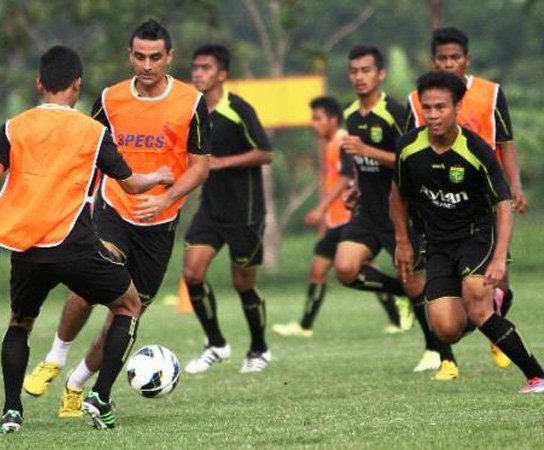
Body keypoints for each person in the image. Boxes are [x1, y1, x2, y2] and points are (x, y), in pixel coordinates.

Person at [0, 46, 176, 433]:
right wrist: (159, 176)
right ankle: (100, 398)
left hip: (27, 246)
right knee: (128, 305)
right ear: (78, 85)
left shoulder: (13, 126)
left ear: (39, 84)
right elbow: (132, 184)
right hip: (74, 244)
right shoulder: (92, 131)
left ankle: (12, 412)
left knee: (19, 323)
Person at [23, 20, 210, 416]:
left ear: (169, 57)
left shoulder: (191, 102)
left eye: (155, 57)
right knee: (93, 279)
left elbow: (200, 167)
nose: (147, 65)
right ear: (130, 55)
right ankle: (55, 357)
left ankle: (77, 384)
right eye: (140, 56)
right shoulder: (110, 100)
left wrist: (166, 200)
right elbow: (85, 149)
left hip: (160, 225)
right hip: (114, 210)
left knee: (124, 314)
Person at [391, 70, 544, 393]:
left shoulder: (476, 150)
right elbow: (398, 197)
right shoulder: (408, 149)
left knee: (477, 305)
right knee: (446, 329)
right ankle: (491, 307)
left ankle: (537, 376)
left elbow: (503, 205)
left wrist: (500, 258)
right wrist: (403, 241)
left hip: (476, 235)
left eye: (441, 107)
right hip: (437, 243)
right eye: (427, 107)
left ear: (458, 107)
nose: (433, 115)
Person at [332, 45, 456, 379]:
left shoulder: (396, 112)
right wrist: (355, 185)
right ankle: (402, 291)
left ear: (380, 74)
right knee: (345, 269)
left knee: (416, 283)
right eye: (354, 71)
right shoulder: (350, 114)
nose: (359, 77)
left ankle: (439, 353)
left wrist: (366, 150)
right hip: (367, 212)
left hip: (399, 213)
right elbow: (363, 164)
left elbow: (411, 160)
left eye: (366, 70)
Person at [405, 27, 524, 368]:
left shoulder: (490, 92)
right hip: (442, 203)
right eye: (441, 58)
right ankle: (448, 359)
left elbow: (505, 143)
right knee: (450, 292)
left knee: (497, 282)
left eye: (454, 57)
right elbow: (409, 150)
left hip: (487, 197)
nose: (448, 63)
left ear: (466, 59)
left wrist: (514, 185)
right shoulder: (419, 101)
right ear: (433, 61)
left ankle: (496, 329)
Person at [272, 96, 413, 338]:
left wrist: (322, 209)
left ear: (333, 119)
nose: (314, 124)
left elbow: (347, 176)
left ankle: (305, 325)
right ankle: (397, 314)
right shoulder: (331, 143)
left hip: (348, 219)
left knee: (320, 269)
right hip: (341, 219)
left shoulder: (340, 141)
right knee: (356, 268)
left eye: (318, 119)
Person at [182, 44, 273, 374]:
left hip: (245, 213)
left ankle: (260, 349)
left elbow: (265, 153)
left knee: (242, 283)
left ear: (222, 74)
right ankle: (216, 344)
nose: (198, 73)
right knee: (192, 273)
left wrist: (223, 162)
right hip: (211, 210)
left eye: (205, 67)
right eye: (195, 67)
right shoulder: (193, 110)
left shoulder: (238, 108)